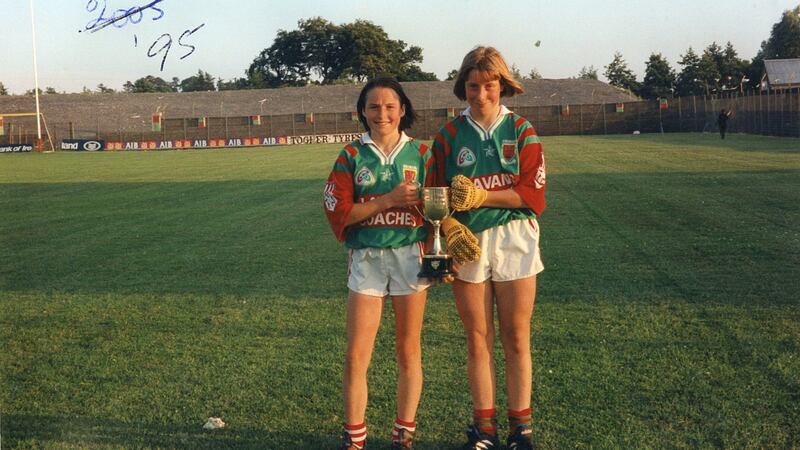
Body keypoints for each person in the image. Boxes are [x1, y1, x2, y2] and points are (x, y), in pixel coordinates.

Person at [432, 46, 546, 450]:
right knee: (477, 336)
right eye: (473, 86)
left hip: (514, 237)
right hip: (467, 243)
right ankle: (485, 431)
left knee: (516, 335)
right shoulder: (447, 136)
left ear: (503, 86)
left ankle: (521, 431)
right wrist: (446, 223)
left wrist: (480, 196)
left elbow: (532, 194)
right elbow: (434, 195)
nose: (481, 95)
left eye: (489, 86)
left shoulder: (522, 130)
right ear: (463, 87)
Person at [324, 77, 436, 450]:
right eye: (373, 107)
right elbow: (341, 211)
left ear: (403, 110)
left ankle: (403, 433)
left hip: (410, 257)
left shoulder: (422, 154)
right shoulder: (352, 156)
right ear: (362, 112)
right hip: (368, 258)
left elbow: (440, 209)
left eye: (390, 106)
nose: (382, 113)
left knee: (408, 349)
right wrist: (387, 200)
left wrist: (439, 247)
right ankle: (355, 437)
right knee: (357, 353)